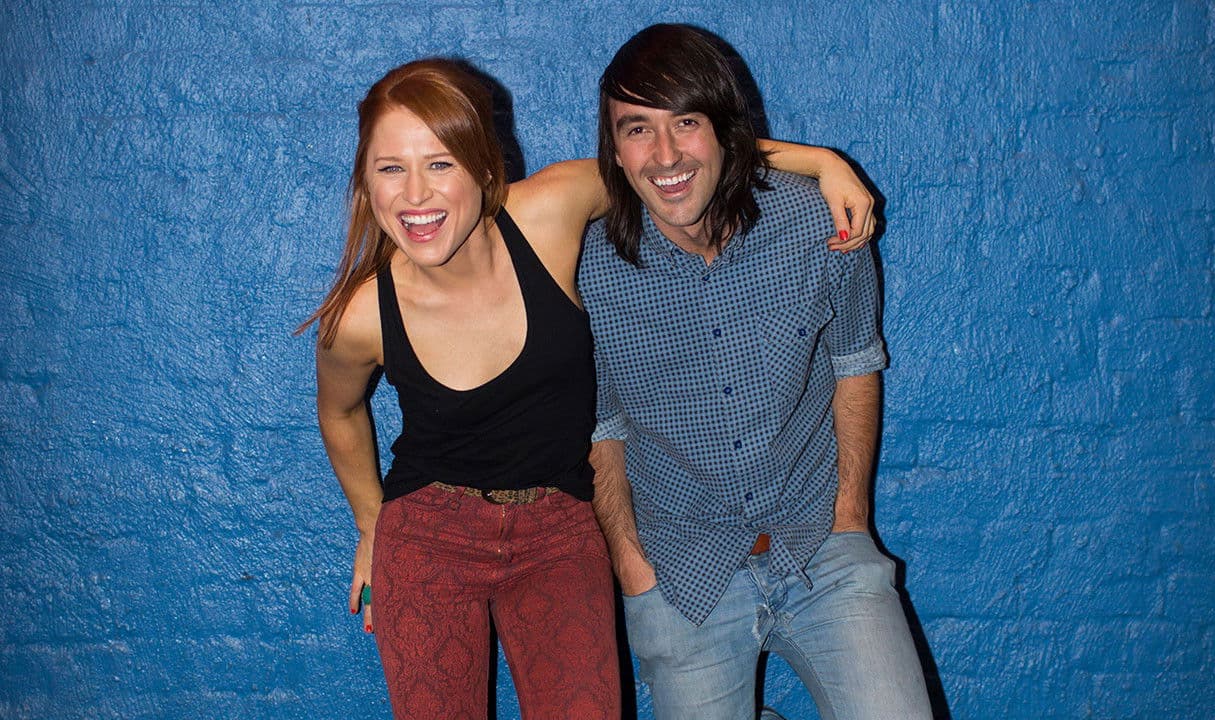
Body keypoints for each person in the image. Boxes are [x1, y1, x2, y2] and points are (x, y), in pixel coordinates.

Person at [299, 58, 878, 719]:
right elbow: (339, 412)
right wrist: (371, 524)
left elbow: (672, 163)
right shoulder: (361, 316)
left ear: (484, 169)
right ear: (364, 183)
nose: (415, 194)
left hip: (558, 533)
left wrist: (823, 164)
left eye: (440, 163)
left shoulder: (549, 213)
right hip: (428, 538)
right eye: (390, 168)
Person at [579, 24, 933, 720]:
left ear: (724, 130)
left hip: (820, 542)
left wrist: (851, 517)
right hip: (680, 569)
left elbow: (856, 362)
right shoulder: (590, 266)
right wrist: (631, 566)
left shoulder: (819, 222)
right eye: (638, 129)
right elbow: (602, 426)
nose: (665, 154)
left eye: (687, 122)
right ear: (614, 150)